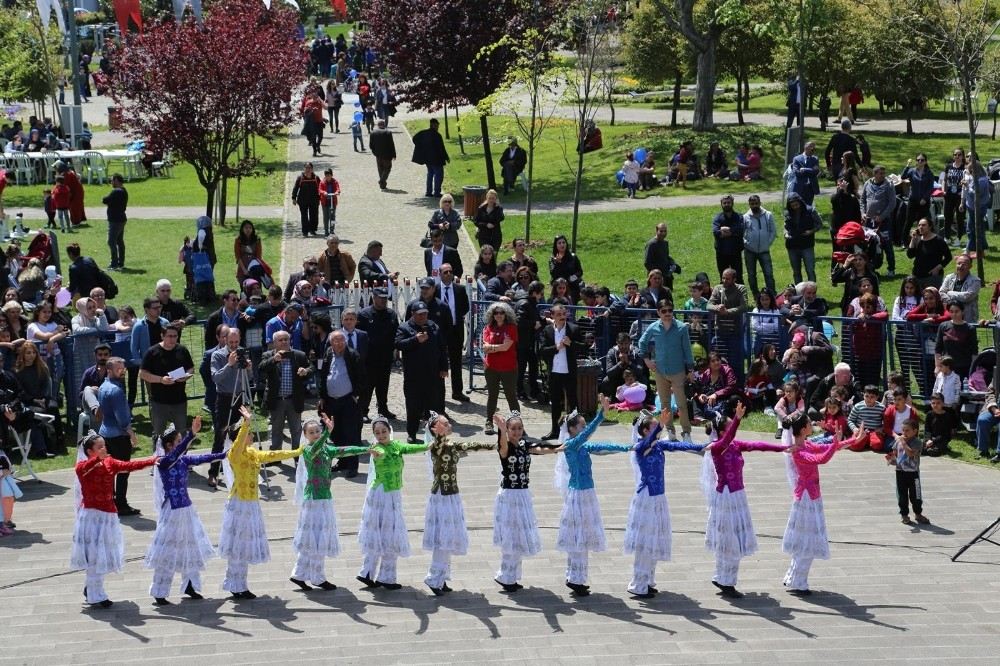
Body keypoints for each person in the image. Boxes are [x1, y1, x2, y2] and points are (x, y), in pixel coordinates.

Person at [703, 403, 788, 599]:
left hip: (737, 496)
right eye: (731, 424)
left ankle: (721, 576)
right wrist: (739, 419)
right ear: (724, 430)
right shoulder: (717, 447)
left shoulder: (734, 445)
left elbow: (758, 446)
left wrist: (783, 448)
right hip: (726, 497)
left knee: (731, 538)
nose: (734, 426)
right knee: (730, 539)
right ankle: (726, 581)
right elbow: (730, 436)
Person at [219, 407, 303, 600]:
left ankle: (239, 584)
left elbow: (274, 455)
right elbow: (239, 444)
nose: (251, 436)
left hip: (251, 505)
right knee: (238, 546)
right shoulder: (235, 454)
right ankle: (234, 583)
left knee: (245, 546)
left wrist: (296, 452)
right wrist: (246, 423)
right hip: (239, 504)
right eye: (248, 434)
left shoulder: (253, 454)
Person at [555, 396, 633, 595]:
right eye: (581, 426)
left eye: (583, 426)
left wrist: (626, 447)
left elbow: (604, 446)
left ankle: (577, 578)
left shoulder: (582, 446)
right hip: (579, 494)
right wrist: (600, 415)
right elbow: (588, 434)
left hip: (587, 494)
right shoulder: (571, 444)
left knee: (583, 537)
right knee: (579, 537)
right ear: (572, 429)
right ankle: (575, 578)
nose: (584, 429)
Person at [72, 432, 158, 608]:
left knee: (102, 555)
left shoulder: (110, 462)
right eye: (99, 447)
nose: (104, 449)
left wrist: (152, 460)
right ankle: (96, 594)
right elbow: (83, 470)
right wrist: (97, 460)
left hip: (108, 516)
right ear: (89, 451)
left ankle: (91, 589)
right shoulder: (83, 466)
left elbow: (130, 465)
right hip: (92, 517)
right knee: (95, 556)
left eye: (104, 445)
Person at [145, 417, 225, 605]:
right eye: (178, 441)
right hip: (172, 511)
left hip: (186, 510)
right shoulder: (164, 462)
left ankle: (190, 584)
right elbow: (177, 454)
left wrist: (225, 454)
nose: (182, 445)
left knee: (191, 545)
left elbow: (203, 458)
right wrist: (191, 435)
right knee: (167, 549)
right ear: (169, 445)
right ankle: (159, 590)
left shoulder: (182, 460)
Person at [626, 414, 704, 598]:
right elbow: (648, 442)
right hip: (646, 496)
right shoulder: (640, 447)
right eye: (654, 428)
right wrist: (660, 425)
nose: (658, 432)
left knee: (654, 538)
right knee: (645, 541)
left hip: (659, 497)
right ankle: (637, 583)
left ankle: (648, 580)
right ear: (646, 431)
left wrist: (703, 447)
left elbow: (677, 445)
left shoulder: (659, 445)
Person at [290, 415, 371, 591]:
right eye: (311, 432)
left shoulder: (327, 449)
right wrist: (328, 432)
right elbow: (317, 447)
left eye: (317, 431)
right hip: (314, 499)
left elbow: (345, 450)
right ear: (305, 435)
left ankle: (298, 573)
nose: (316, 435)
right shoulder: (308, 450)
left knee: (315, 537)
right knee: (316, 536)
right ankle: (317, 578)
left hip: (324, 497)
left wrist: (365, 450)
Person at [780, 412, 855, 596]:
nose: (811, 424)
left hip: (809, 496)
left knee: (804, 539)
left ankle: (792, 577)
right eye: (808, 422)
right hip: (807, 498)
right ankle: (799, 582)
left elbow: (827, 448)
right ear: (803, 428)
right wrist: (837, 442)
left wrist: (852, 440)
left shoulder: (805, 444)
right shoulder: (798, 450)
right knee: (807, 540)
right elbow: (820, 459)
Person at [422, 413, 496, 595]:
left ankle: (441, 578)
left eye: (448, 423)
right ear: (435, 429)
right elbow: (441, 446)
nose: (449, 425)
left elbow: (471, 445)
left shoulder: (450, 445)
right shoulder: (436, 446)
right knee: (442, 538)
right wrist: (438, 435)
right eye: (444, 424)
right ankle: (433, 578)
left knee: (448, 537)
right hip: (441, 495)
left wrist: (494, 444)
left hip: (452, 495)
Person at [356, 416, 428, 590]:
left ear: (389, 431)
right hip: (381, 495)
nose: (381, 435)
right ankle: (370, 573)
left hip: (393, 495)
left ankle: (377, 575)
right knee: (383, 533)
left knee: (389, 535)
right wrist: (376, 453)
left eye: (384, 431)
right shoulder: (377, 448)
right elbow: (379, 455)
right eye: (377, 433)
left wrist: (428, 445)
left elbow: (410, 447)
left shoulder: (396, 446)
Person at [492, 412, 561, 592]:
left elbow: (541, 449)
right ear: (507, 430)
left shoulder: (525, 444)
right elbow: (503, 447)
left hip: (522, 495)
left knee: (519, 535)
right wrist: (500, 430)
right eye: (513, 429)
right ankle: (505, 575)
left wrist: (561, 447)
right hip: (509, 495)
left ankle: (510, 576)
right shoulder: (505, 447)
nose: (517, 432)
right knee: (511, 535)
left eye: (519, 428)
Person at [639, 301, 694, 442]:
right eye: (664, 311)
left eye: (670, 310)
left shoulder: (681, 328)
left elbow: (687, 350)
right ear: (658, 312)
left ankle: (686, 433)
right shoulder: (654, 327)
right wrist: (646, 360)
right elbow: (642, 342)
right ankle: (670, 432)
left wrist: (690, 369)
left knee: (682, 403)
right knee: (665, 404)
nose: (667, 313)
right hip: (660, 371)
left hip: (678, 371)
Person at [395, 301, 447, 443]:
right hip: (414, 376)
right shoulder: (404, 327)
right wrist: (415, 340)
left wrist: (444, 367)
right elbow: (399, 344)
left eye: (425, 314)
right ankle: (412, 434)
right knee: (413, 406)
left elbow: (442, 348)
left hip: (433, 374)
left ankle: (434, 434)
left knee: (434, 406)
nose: (423, 317)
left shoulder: (433, 326)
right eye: (420, 314)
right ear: (412, 314)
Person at [317, 330, 366, 477]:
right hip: (331, 401)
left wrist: (356, 395)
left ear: (345, 341)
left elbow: (362, 376)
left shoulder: (352, 354)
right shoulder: (328, 354)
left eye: (341, 340)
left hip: (348, 400)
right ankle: (342, 461)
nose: (338, 343)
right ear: (331, 343)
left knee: (350, 434)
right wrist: (321, 396)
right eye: (335, 341)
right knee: (336, 434)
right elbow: (322, 375)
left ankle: (352, 466)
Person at [95, 356, 140, 514]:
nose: (122, 371)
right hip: (118, 436)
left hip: (105, 433)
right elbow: (122, 418)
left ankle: (109, 502)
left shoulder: (103, 386)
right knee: (122, 471)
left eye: (123, 368)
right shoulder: (117, 390)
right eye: (118, 369)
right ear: (109, 370)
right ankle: (121, 504)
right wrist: (131, 433)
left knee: (109, 471)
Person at [259, 329, 311, 460]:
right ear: (274, 342)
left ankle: (297, 456)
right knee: (276, 430)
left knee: (296, 430)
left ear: (290, 340)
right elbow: (260, 368)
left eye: (286, 339)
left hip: (294, 399)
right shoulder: (268, 355)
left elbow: (311, 368)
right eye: (280, 340)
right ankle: (276, 456)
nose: (283, 342)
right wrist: (273, 360)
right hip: (277, 400)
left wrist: (305, 371)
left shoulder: (299, 355)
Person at [540, 304, 587, 439]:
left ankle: (575, 431)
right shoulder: (547, 330)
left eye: (564, 314)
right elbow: (542, 351)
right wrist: (557, 347)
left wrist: (571, 344)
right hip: (554, 372)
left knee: (573, 402)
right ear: (552, 316)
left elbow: (584, 348)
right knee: (555, 403)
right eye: (559, 314)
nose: (562, 317)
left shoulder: (574, 329)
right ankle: (555, 431)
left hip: (569, 372)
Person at [139, 324, 195, 438]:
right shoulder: (152, 352)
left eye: (175, 336)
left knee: (181, 433)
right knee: (158, 434)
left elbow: (191, 368)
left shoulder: (182, 350)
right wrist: (160, 380)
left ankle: (182, 455)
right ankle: (158, 456)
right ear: (162, 336)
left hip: (179, 400)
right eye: (169, 336)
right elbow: (142, 374)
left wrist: (186, 376)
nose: (172, 339)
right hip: (159, 402)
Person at [357, 287, 398, 420]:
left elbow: (395, 334)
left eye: (385, 298)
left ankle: (383, 409)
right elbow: (359, 336)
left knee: (383, 384)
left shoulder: (391, 314)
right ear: (374, 298)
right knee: (367, 386)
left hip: (385, 356)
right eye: (380, 298)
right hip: (369, 358)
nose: (383, 300)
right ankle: (363, 411)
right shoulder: (364, 315)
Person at [481, 301, 520, 434]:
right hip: (491, 367)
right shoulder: (488, 328)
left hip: (509, 367)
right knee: (492, 395)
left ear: (506, 314)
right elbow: (485, 348)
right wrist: (499, 347)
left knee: (511, 396)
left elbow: (507, 347)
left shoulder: (512, 328)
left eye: (501, 312)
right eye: (496, 313)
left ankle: (517, 423)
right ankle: (489, 422)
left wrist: (492, 348)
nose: (498, 315)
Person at [436, 264, 470, 406]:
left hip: (456, 330)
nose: (448, 274)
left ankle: (457, 391)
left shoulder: (460, 289)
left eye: (450, 271)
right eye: (445, 272)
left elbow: (465, 307)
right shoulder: (435, 290)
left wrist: (455, 318)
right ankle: (439, 393)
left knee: (456, 362)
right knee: (439, 362)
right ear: (440, 274)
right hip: (440, 331)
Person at [708, 268, 749, 384]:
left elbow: (744, 306)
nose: (724, 280)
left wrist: (728, 312)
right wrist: (717, 308)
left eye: (728, 278)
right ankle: (723, 384)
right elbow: (709, 305)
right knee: (721, 361)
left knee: (736, 362)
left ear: (734, 279)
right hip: (720, 331)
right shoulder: (717, 288)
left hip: (735, 331)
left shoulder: (741, 289)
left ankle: (739, 385)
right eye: (723, 278)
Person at [888, 419, 930, 525]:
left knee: (916, 495)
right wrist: (892, 460)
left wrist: (903, 442)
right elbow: (895, 453)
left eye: (907, 430)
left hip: (913, 473)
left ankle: (918, 513)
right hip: (900, 472)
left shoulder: (917, 442)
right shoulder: (898, 441)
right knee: (902, 495)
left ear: (915, 431)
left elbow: (911, 453)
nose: (904, 433)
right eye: (903, 430)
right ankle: (904, 515)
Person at [860, 165, 897, 278]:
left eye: (883, 173)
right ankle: (870, 267)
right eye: (880, 173)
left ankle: (891, 268)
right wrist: (863, 213)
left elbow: (892, 203)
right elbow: (862, 200)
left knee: (886, 244)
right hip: (869, 221)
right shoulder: (868, 183)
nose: (882, 175)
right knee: (870, 244)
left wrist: (882, 216)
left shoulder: (889, 185)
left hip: (883, 221)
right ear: (875, 174)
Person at [742, 195, 776, 299]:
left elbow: (773, 231)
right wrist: (746, 243)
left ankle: (772, 295)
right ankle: (756, 295)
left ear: (760, 203)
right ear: (749, 204)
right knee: (751, 275)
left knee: (768, 274)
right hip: (749, 251)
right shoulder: (745, 217)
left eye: (756, 203)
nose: (754, 205)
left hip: (764, 250)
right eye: (752, 204)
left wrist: (767, 243)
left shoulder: (768, 215)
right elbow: (741, 233)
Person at [936, 301, 977, 381]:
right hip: (946, 367)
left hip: (964, 367)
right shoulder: (943, 326)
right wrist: (937, 366)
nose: (954, 314)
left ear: (962, 311)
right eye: (951, 312)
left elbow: (974, 351)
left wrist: (973, 370)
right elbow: (938, 349)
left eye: (957, 311)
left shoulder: (970, 329)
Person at [907, 218, 951, 290]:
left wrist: (937, 268)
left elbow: (948, 257)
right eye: (919, 225)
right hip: (917, 276)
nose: (921, 227)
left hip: (932, 277)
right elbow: (910, 255)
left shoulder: (938, 240)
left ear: (930, 227)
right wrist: (913, 240)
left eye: (924, 225)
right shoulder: (918, 240)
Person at [962, 154, 992, 255]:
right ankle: (979, 250)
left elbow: (976, 194)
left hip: (978, 207)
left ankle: (970, 251)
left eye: (971, 171)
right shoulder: (977, 178)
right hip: (971, 206)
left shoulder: (982, 181)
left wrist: (967, 186)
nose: (970, 173)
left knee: (973, 229)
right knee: (975, 228)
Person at [411, 118, 449, 198]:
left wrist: (421, 147)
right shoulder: (437, 135)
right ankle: (437, 192)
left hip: (427, 159)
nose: (438, 127)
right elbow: (441, 148)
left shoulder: (423, 133)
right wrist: (446, 157)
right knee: (438, 175)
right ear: (433, 125)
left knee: (430, 174)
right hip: (436, 159)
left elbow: (414, 139)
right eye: (437, 125)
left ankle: (428, 192)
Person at [901, 153, 935, 241]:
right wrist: (907, 165)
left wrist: (925, 198)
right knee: (909, 221)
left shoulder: (929, 173)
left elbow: (930, 187)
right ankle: (904, 241)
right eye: (918, 160)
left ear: (925, 162)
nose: (920, 161)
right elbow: (903, 176)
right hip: (913, 200)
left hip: (924, 201)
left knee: (922, 221)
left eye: (922, 160)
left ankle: (921, 240)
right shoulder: (912, 171)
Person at [939, 253, 981, 323]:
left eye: (964, 264)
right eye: (959, 263)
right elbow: (941, 292)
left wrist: (950, 293)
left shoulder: (975, 281)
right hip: (950, 316)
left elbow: (967, 297)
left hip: (968, 318)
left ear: (970, 266)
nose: (961, 266)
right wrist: (951, 302)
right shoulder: (949, 277)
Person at [712, 195, 744, 282]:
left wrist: (724, 230)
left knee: (738, 277)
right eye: (724, 203)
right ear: (721, 204)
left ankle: (740, 295)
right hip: (721, 253)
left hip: (735, 252)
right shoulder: (717, 218)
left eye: (728, 203)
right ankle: (724, 295)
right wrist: (731, 232)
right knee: (723, 277)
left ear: (732, 203)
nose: (726, 204)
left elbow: (740, 230)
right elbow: (716, 232)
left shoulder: (739, 217)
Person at [102, 174, 127, 271]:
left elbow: (105, 200)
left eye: (112, 180)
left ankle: (114, 263)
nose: (111, 182)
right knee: (119, 241)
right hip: (121, 219)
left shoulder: (116, 191)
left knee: (111, 241)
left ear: (116, 180)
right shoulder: (124, 191)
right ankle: (121, 262)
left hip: (115, 220)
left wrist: (109, 202)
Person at [549, 235, 584, 304]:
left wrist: (572, 278)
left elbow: (580, 271)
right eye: (559, 243)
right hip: (559, 289)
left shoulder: (573, 257)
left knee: (571, 309)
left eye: (563, 242)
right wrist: (558, 263)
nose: (562, 245)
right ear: (556, 245)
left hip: (572, 288)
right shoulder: (552, 259)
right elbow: (553, 274)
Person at [942, 148, 966, 246]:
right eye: (955, 154)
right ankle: (946, 237)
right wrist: (943, 190)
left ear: (962, 156)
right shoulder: (948, 167)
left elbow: (968, 180)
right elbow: (944, 180)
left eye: (959, 154)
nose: (957, 156)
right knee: (948, 216)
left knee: (960, 217)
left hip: (960, 196)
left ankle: (959, 238)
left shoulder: (965, 167)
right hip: (949, 195)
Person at [643, 222, 677, 290]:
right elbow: (647, 263)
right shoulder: (651, 244)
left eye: (665, 231)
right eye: (661, 231)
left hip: (666, 276)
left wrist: (672, 263)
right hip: (656, 279)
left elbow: (665, 256)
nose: (663, 233)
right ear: (656, 231)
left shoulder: (665, 243)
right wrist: (656, 275)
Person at [292, 163, 321, 237]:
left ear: (312, 169)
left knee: (314, 215)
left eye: (309, 168)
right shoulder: (300, 178)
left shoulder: (316, 178)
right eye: (306, 168)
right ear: (304, 168)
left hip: (314, 200)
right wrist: (293, 198)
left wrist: (321, 198)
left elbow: (321, 188)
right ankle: (305, 231)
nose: (308, 169)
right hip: (303, 200)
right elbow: (296, 188)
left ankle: (313, 229)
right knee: (304, 216)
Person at [369, 119, 396, 190]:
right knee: (387, 168)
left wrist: (375, 153)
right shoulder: (388, 132)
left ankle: (382, 185)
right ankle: (382, 181)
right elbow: (391, 145)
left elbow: (371, 145)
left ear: (378, 125)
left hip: (378, 155)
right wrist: (394, 154)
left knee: (380, 169)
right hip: (387, 155)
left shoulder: (373, 132)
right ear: (384, 125)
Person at [791, 141, 820, 206]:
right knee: (799, 206)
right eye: (811, 147)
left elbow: (816, 171)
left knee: (809, 206)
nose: (813, 149)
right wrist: (811, 170)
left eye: (814, 148)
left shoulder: (815, 159)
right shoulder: (796, 159)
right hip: (800, 186)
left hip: (811, 187)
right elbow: (797, 173)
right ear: (805, 148)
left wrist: (804, 169)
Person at [234, 220, 264, 285]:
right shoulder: (238, 240)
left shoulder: (257, 239)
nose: (248, 230)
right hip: (242, 266)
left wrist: (253, 269)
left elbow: (258, 256)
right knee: (244, 288)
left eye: (250, 228)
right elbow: (238, 256)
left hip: (254, 266)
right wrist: (244, 270)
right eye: (246, 228)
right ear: (242, 229)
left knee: (255, 286)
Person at [317, 169, 341, 236]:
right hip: (325, 202)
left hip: (332, 201)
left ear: (331, 175)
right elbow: (320, 189)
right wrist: (324, 192)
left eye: (329, 175)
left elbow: (337, 188)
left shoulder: (335, 182)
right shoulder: (322, 182)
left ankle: (332, 230)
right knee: (326, 216)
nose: (328, 177)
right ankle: (326, 230)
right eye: (326, 175)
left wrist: (337, 192)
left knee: (332, 217)